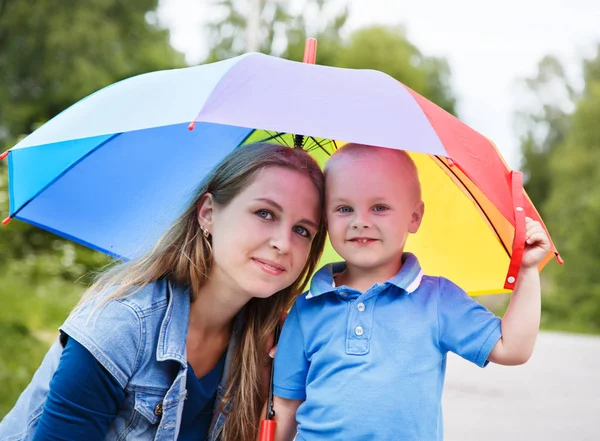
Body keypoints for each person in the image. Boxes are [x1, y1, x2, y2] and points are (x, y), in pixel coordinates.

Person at [0, 142, 328, 441]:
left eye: (302, 230)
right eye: (265, 213)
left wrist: (283, 388)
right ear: (208, 214)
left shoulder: (271, 343)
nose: (283, 244)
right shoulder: (124, 324)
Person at [270, 143, 551, 441]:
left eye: (379, 207)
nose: (360, 220)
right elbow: (285, 407)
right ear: (325, 219)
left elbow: (513, 348)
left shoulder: (437, 299)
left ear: (414, 217)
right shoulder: (308, 306)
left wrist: (527, 271)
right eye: (343, 208)